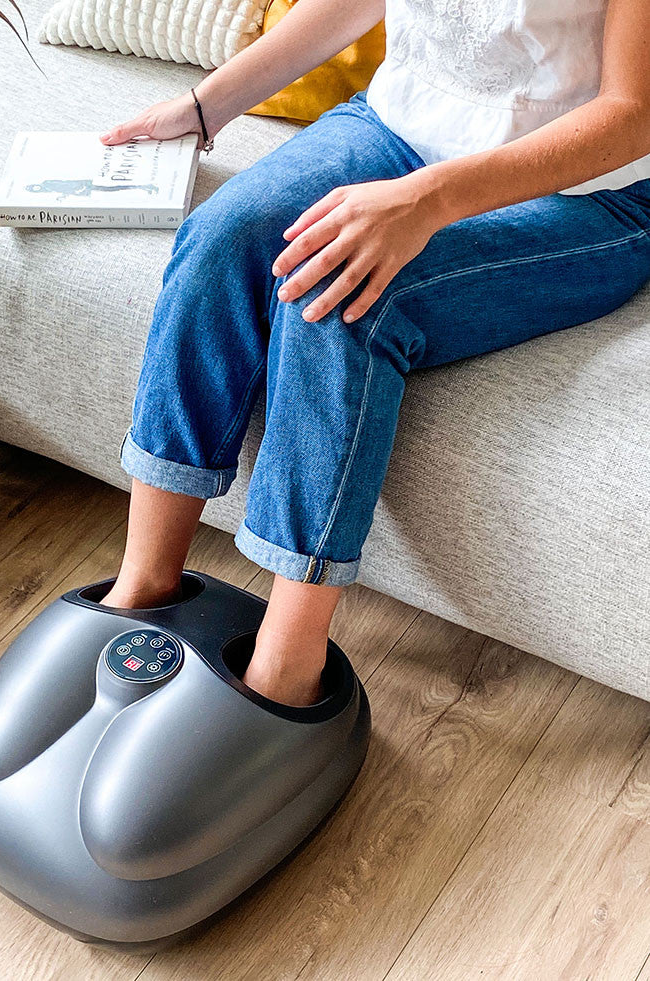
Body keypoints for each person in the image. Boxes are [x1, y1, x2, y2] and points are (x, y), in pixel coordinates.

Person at [97, 0, 650, 706]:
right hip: (403, 123)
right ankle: (144, 588)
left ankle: (285, 669)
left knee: (341, 293)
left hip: (588, 189)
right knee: (221, 241)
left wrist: (426, 202)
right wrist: (208, 106)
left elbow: (631, 114)